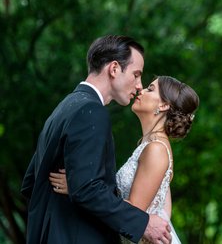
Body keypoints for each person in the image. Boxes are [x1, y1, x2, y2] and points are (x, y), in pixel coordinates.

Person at [21, 35, 172, 244]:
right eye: (136, 75)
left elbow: (31, 182)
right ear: (114, 69)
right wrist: (143, 223)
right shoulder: (92, 111)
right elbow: (86, 188)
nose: (139, 86)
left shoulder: (65, 107)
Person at [49, 76, 200, 244]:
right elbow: (165, 211)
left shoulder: (156, 149)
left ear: (164, 105)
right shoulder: (149, 145)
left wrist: (80, 186)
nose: (141, 90)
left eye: (150, 89)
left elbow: (133, 213)